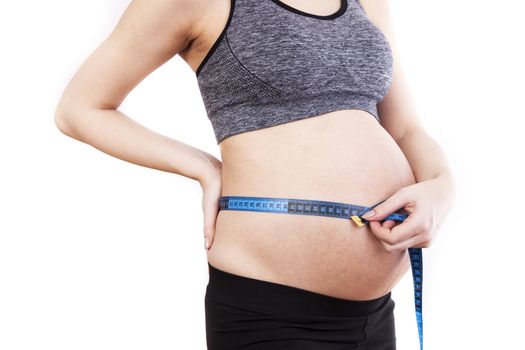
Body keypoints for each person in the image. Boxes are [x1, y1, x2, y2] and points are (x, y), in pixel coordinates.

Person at [54, 0, 456, 349]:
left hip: (376, 314)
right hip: (271, 310)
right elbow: (81, 108)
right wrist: (202, 167)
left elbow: (405, 129)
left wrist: (440, 188)